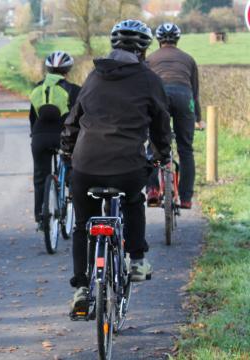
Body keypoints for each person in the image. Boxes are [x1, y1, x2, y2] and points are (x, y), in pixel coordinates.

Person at [60, 20, 172, 314]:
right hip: (127, 166)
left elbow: (73, 120)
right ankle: (136, 259)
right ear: (143, 50)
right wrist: (163, 154)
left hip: (85, 165)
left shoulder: (94, 76)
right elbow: (161, 123)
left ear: (113, 46)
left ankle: (82, 288)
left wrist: (68, 153)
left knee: (84, 225)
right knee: (135, 199)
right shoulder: (149, 80)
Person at [146, 23, 201, 209]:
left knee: (153, 144)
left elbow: (143, 87)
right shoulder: (188, 59)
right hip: (184, 98)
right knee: (186, 149)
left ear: (158, 40)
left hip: (159, 97)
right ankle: (185, 198)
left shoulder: (150, 59)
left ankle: (152, 190)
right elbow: (194, 93)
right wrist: (198, 119)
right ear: (177, 40)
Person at [29, 51, 81, 230]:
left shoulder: (38, 88)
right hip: (63, 137)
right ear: (68, 70)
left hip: (39, 137)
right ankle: (78, 212)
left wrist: (35, 137)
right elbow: (79, 118)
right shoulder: (74, 90)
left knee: (40, 177)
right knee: (74, 171)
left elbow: (32, 118)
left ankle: (41, 217)